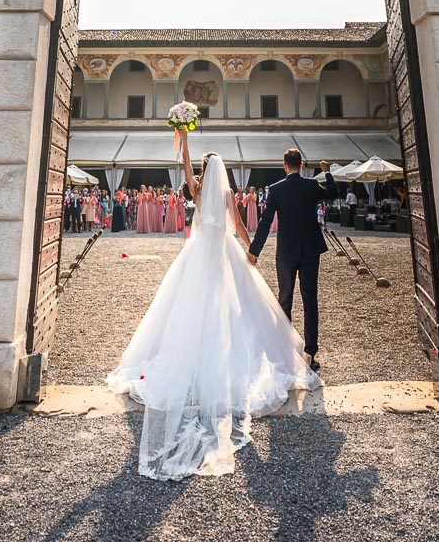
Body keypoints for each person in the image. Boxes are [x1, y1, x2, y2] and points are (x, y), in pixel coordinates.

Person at [106, 128, 318, 481]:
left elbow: (187, 170)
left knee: (186, 309)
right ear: (223, 172)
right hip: (224, 255)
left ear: (204, 171)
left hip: (198, 255)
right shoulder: (227, 194)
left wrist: (184, 141)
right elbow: (238, 224)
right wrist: (250, 252)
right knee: (238, 311)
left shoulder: (198, 191)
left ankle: (193, 363)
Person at [247, 148, 341, 371]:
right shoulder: (310, 186)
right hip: (310, 249)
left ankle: (285, 351)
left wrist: (254, 250)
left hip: (287, 251)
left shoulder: (277, 189)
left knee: (285, 300)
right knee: (310, 301)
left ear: (285, 165)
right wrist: (326, 172)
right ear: (301, 165)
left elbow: (265, 221)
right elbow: (332, 192)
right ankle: (310, 353)